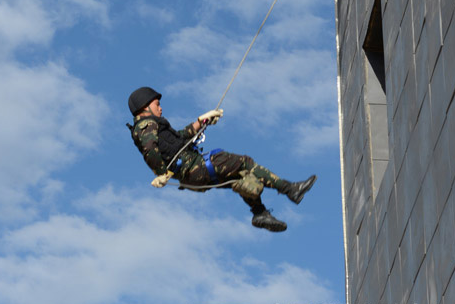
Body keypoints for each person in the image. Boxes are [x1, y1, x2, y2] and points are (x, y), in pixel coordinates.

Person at [127, 86, 316, 233]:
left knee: (244, 179)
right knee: (244, 163)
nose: (160, 108)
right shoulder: (145, 125)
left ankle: (260, 214)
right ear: (145, 107)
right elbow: (149, 149)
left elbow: (181, 138)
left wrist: (202, 121)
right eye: (156, 104)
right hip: (194, 167)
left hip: (193, 174)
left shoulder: (154, 125)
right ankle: (290, 189)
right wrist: (161, 173)